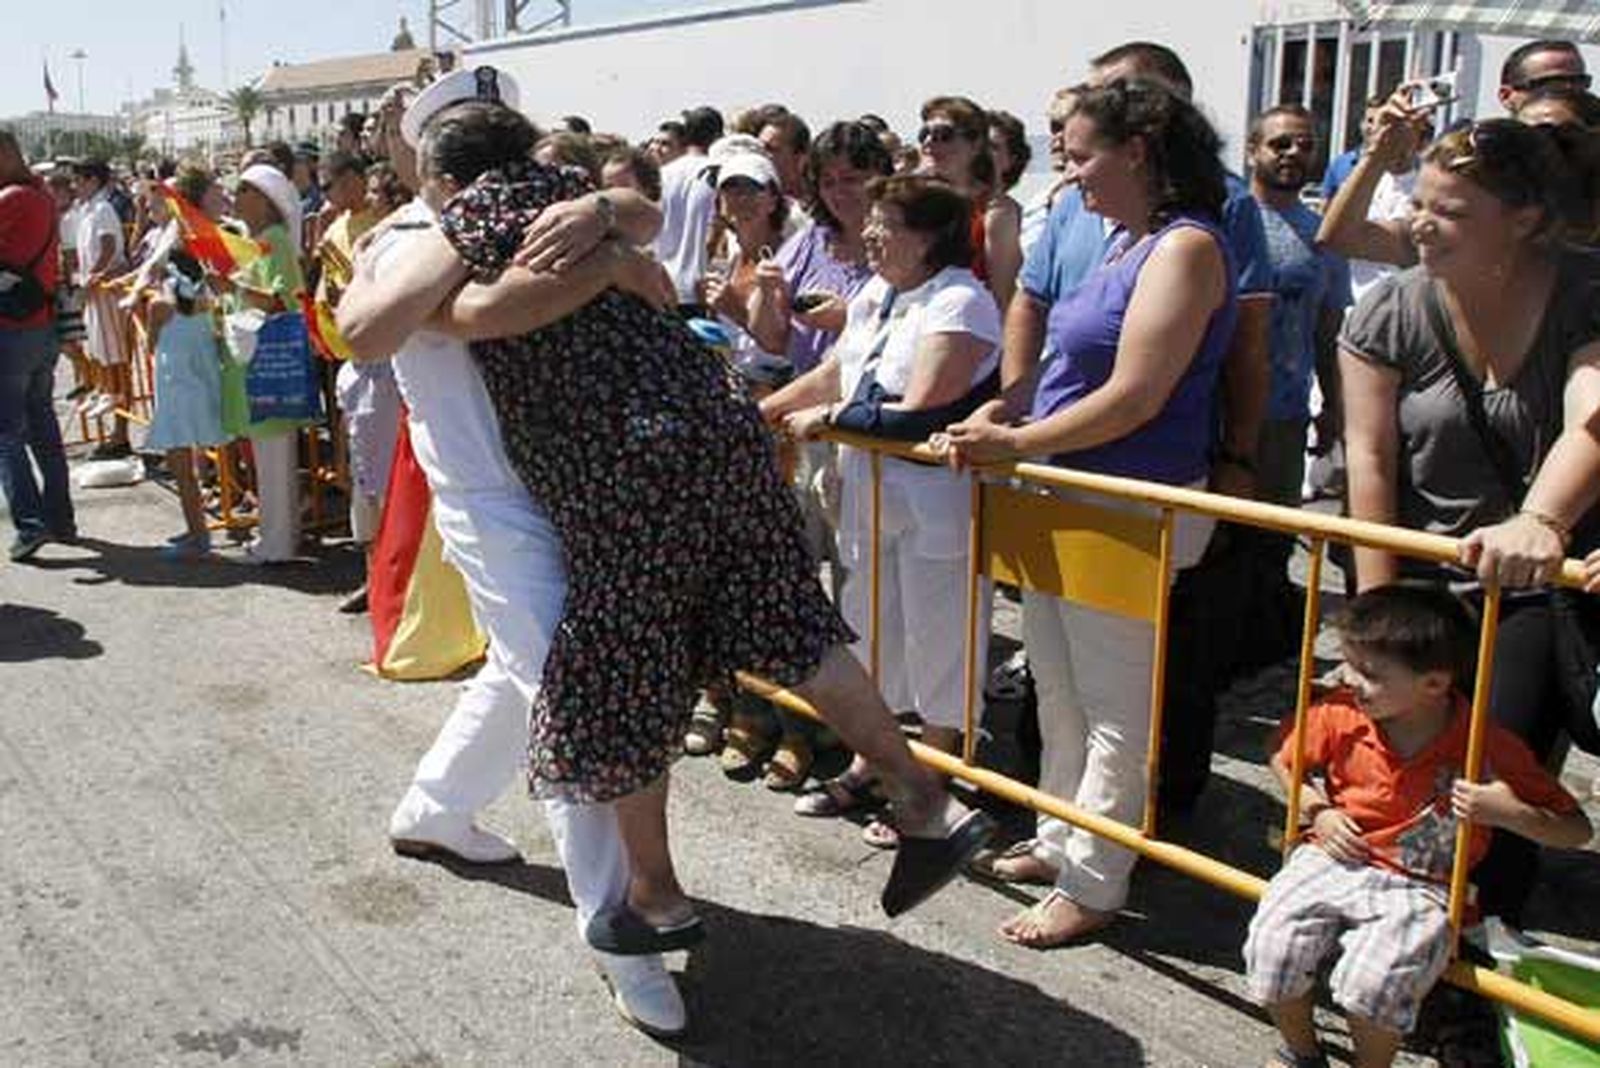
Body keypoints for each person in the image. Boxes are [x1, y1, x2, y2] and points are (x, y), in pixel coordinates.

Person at [344, 84, 994, 960]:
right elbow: (637, 222)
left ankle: (650, 896)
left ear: (442, 173)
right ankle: (923, 800)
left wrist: (571, 247)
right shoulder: (576, 204)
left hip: (626, 465)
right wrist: (606, 244)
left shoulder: (476, 218)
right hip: (716, 429)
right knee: (792, 627)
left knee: (614, 675)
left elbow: (453, 318)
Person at [339, 67, 688, 1038]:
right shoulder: (413, 237)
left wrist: (607, 212)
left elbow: (643, 212)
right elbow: (370, 332)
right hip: (498, 503)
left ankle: (434, 808)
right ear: (433, 161)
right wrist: (605, 249)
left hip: (574, 486)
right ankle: (623, 936)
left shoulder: (554, 206)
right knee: (572, 698)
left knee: (524, 670)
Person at [937, 77, 1237, 945]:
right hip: (1069, 493)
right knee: (1060, 689)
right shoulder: (1119, 241)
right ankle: (1062, 836)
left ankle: (1098, 879)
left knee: (1113, 708)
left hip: (1128, 505)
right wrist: (1012, 414)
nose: (1068, 175)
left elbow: (1138, 396)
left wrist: (1018, 444)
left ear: (1138, 151)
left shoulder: (1184, 249)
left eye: (1081, 154)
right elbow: (1070, 370)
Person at [1339, 116, 1600, 921]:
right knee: (1399, 763)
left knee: (1494, 766)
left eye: (1448, 210)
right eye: (1419, 201)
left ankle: (1478, 947)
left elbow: (1592, 412)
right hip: (1425, 574)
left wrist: (1541, 523)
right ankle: (1396, 929)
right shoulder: (1389, 310)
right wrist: (1378, 616)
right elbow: (1370, 458)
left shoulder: (1587, 292)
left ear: (1525, 219)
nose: (1420, 222)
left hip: (1536, 584)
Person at [1244, 585, 1590, 1068]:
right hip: (1334, 854)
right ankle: (1301, 1053)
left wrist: (1511, 813)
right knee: (1271, 951)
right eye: (1350, 663)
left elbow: (1576, 830)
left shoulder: (1486, 744)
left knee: (1374, 984)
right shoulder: (1341, 712)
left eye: (1369, 673)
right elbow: (1283, 757)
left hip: (1423, 884)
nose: (1350, 679)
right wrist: (1316, 808)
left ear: (1433, 684)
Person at [762, 174, 1001, 843]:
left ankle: (935, 780)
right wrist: (766, 410)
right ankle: (876, 761)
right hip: (868, 493)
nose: (869, 235)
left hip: (936, 499)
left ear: (928, 237)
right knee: (872, 629)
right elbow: (834, 371)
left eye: (885, 224)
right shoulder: (875, 294)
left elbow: (921, 404)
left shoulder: (961, 300)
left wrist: (830, 416)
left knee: (939, 638)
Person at [1247, 104, 1351, 507]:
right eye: (1280, 143)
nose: (1293, 153)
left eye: (1305, 145)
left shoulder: (1325, 236)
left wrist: (1332, 407)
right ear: (1253, 150)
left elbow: (1327, 330)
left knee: (1269, 543)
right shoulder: (1228, 218)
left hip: (1285, 418)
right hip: (1215, 414)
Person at [215, 163, 310, 565]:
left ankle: (277, 543)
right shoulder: (261, 241)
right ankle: (275, 536)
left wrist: (231, 285)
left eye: (242, 191)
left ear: (264, 199)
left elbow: (278, 300)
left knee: (273, 459)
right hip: (256, 364)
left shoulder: (274, 241)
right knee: (270, 459)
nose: (235, 199)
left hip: (268, 364)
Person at [0, 129, 73, 562]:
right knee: (43, 425)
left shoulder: (11, 199)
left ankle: (29, 525)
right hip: (42, 327)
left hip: (12, 328)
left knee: (7, 432)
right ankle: (61, 516)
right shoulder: (43, 195)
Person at [143, 247, 225, 560]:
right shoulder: (206, 302)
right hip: (202, 387)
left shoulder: (158, 306)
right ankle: (197, 529)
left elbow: (152, 345)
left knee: (182, 469)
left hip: (175, 391)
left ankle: (198, 535)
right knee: (194, 465)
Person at [917, 95, 1021, 309]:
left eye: (943, 135)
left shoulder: (996, 212)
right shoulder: (916, 203)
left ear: (975, 145)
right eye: (924, 134)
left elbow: (1004, 299)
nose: (929, 142)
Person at [73, 158, 133, 459]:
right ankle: (114, 427)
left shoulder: (103, 209)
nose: (75, 186)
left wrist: (93, 277)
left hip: (108, 294)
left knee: (118, 361)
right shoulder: (86, 211)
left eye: (79, 180)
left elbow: (109, 247)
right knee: (104, 358)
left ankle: (122, 433)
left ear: (93, 180)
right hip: (96, 295)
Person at [654, 105, 723, 313]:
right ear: (718, 136)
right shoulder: (718, 173)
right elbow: (713, 235)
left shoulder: (660, 175)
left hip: (661, 287)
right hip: (699, 290)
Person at [1499, 38, 1590, 114]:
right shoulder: (1491, 135)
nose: (1570, 93)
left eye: (1579, 82)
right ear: (1507, 96)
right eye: (1553, 85)